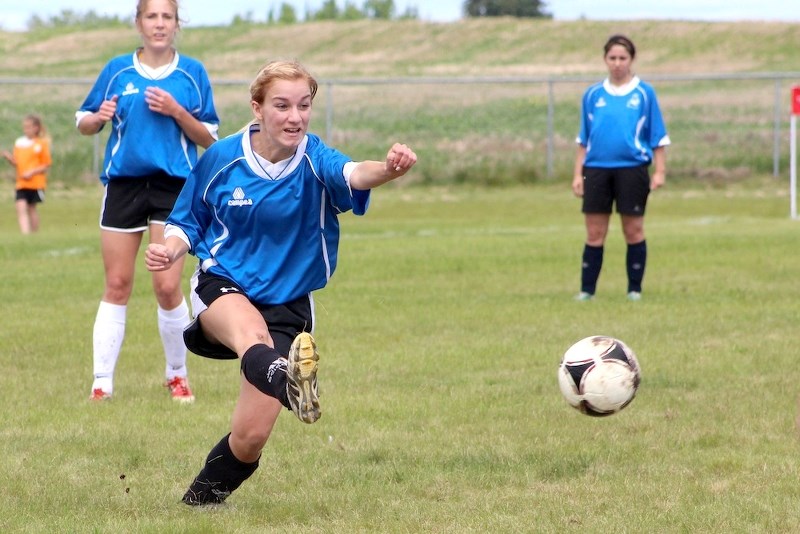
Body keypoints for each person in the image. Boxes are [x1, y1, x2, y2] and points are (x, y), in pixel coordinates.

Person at [145, 59, 417, 506]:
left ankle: (200, 501)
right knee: (252, 335)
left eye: (304, 106)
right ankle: (286, 376)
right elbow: (186, 221)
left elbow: (353, 174)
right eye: (283, 105)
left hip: (289, 302)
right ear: (257, 108)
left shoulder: (315, 160)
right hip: (224, 283)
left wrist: (388, 169)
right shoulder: (222, 159)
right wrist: (171, 249)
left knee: (250, 437)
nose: (295, 117)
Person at [75, 0, 219, 402]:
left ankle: (177, 374)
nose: (159, 24)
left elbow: (209, 137)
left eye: (167, 17)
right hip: (124, 186)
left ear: (177, 24)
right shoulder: (117, 70)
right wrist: (96, 118)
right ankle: (101, 383)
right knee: (117, 283)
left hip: (173, 187)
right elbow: (84, 122)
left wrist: (176, 112)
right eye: (151, 16)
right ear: (139, 23)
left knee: (167, 286)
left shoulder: (192, 74)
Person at [571, 34, 670, 302]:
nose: (617, 63)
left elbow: (657, 135)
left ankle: (634, 290)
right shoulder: (593, 94)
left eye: (622, 58)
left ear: (631, 60)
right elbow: (584, 138)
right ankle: (587, 291)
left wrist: (659, 171)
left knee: (633, 229)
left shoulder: (644, 93)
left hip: (633, 168)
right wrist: (577, 174)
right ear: (605, 60)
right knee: (594, 231)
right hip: (596, 170)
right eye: (612, 58)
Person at [2, 114, 51, 234]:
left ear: (36, 128)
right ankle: (25, 235)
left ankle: (34, 234)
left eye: (29, 127)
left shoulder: (41, 144)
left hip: (35, 183)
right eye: (24, 127)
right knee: (20, 207)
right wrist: (9, 158)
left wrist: (32, 172)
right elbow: (17, 162)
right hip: (21, 182)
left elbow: (46, 164)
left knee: (31, 208)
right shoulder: (19, 143)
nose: (26, 130)